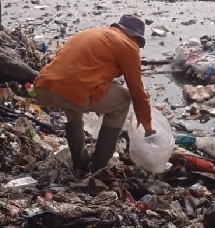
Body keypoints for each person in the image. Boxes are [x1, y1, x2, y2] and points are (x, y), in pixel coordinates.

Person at [32, 14, 155, 172]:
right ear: (136, 37)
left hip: (43, 88)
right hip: (70, 90)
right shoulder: (128, 45)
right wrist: (148, 127)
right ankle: (98, 165)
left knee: (74, 99)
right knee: (124, 100)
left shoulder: (91, 33)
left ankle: (80, 162)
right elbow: (137, 92)